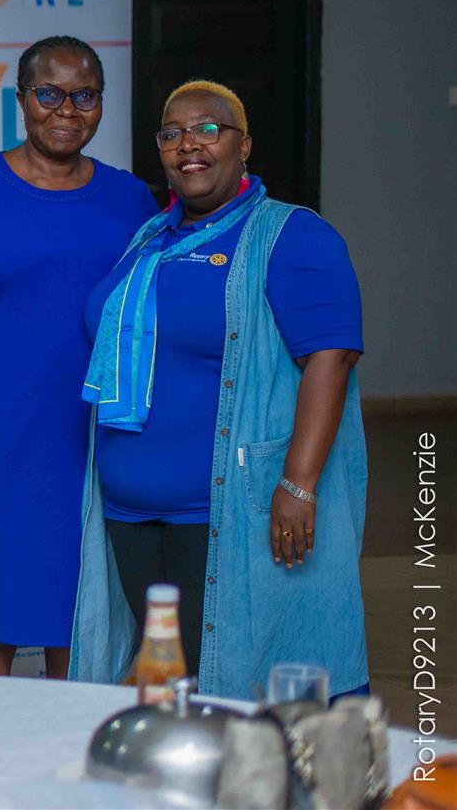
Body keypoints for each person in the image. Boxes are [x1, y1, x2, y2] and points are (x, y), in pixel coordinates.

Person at [71, 81, 367, 700]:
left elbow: (331, 358)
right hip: (130, 513)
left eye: (207, 129)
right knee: (171, 685)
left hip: (221, 514)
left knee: (232, 692)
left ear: (244, 144)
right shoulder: (149, 239)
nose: (188, 145)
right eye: (172, 133)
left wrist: (298, 483)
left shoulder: (292, 235)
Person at [0, 37, 156, 679]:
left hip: (93, 441)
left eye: (84, 96)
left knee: (81, 616)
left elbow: (148, 321)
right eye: (49, 94)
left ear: (102, 103)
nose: (66, 110)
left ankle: (69, 744)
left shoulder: (130, 199)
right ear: (22, 99)